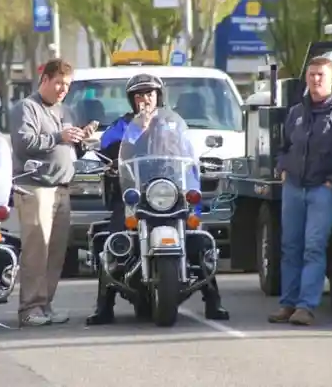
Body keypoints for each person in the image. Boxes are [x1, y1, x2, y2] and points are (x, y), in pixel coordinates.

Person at [85, 73, 230, 326]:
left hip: (170, 192)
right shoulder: (122, 125)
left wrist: (197, 166)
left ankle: (213, 300)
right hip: (135, 195)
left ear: (158, 96)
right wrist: (136, 132)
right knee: (114, 238)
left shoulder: (173, 124)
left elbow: (186, 153)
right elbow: (107, 150)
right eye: (139, 95)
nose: (144, 99)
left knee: (198, 235)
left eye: (149, 94)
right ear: (132, 99)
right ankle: (104, 306)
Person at [268, 56, 332, 326]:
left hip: (323, 190)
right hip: (294, 187)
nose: (315, 79)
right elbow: (284, 145)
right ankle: (287, 304)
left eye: (321, 75)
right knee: (290, 247)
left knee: (314, 248)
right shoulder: (297, 112)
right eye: (311, 75)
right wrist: (282, 168)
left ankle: (305, 307)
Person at [9, 58, 95, 327]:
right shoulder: (26, 108)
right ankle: (29, 309)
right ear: (43, 80)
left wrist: (82, 138)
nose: (62, 89)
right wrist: (60, 137)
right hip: (36, 187)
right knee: (37, 250)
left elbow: (69, 147)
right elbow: (25, 144)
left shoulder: (66, 111)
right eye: (57, 82)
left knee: (56, 251)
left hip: (62, 188)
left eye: (66, 84)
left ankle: (45, 305)